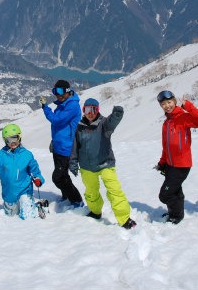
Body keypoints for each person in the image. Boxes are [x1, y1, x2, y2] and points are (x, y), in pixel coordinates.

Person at [70, 98, 136, 229]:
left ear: (97, 110)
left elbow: (113, 122)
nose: (91, 113)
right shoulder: (79, 127)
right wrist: (73, 162)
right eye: (88, 109)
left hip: (105, 164)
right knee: (91, 192)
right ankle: (95, 211)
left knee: (114, 190)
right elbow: (74, 147)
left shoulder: (104, 124)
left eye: (93, 109)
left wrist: (117, 114)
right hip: (87, 167)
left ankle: (124, 218)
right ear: (84, 110)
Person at [154, 90, 198, 224]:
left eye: (169, 102)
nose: (167, 106)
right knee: (176, 191)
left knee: (165, 195)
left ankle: (176, 215)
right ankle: (175, 214)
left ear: (174, 102)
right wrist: (162, 162)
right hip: (171, 165)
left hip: (182, 165)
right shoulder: (166, 124)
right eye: (163, 104)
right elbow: (166, 146)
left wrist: (188, 106)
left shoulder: (183, 117)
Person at [0, 124, 46, 219]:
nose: (13, 142)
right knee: (11, 218)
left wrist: (38, 179)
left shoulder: (27, 155)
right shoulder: (0, 155)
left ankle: (33, 207)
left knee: (28, 217)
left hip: (24, 190)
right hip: (9, 193)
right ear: (5, 141)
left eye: (15, 138)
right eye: (9, 140)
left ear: (19, 137)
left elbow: (35, 172)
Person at [39, 79, 83, 207]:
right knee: (63, 175)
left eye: (60, 92)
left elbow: (57, 120)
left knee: (57, 177)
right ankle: (66, 195)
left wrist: (45, 107)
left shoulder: (72, 106)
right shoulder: (63, 104)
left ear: (68, 91)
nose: (58, 95)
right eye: (55, 92)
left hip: (66, 148)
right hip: (59, 146)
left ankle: (76, 200)